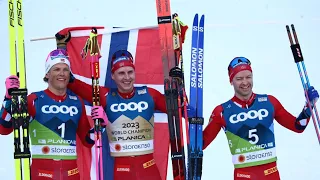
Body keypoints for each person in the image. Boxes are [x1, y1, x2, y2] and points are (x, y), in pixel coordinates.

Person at [66, 49, 183, 180]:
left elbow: (180, 109)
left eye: (130, 72)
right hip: (122, 171)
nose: (127, 77)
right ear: (112, 75)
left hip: (149, 169)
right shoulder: (106, 96)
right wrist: (62, 48)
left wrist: (178, 86)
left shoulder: (150, 94)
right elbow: (72, 83)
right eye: (121, 73)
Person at [202, 57, 319, 180]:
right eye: (239, 79)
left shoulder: (269, 102)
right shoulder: (222, 111)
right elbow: (201, 144)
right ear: (231, 81)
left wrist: (309, 106)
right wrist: (190, 119)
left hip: (271, 174)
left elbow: (297, 126)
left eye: (248, 77)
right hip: (243, 176)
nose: (245, 82)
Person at [0, 49, 94, 180]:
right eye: (56, 69)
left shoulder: (77, 102)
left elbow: (88, 141)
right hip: (42, 174)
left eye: (65, 69)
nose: (61, 73)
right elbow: (4, 128)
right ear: (47, 73)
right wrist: (8, 99)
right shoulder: (34, 99)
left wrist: (101, 124)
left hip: (71, 174)